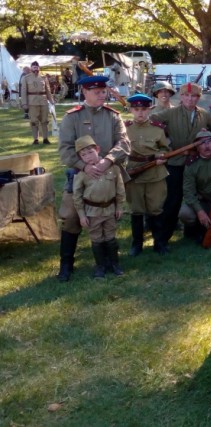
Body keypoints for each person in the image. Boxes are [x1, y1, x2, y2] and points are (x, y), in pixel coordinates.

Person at [56, 75, 131, 282]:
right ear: (84, 93)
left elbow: (124, 144)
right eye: (96, 92)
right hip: (81, 176)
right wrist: (84, 166)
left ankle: (109, 261)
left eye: (103, 91)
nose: (102, 95)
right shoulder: (72, 117)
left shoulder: (113, 116)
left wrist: (107, 161)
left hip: (108, 175)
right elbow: (65, 150)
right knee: (71, 217)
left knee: (109, 217)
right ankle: (66, 264)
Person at [150, 83, 211, 251]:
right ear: (181, 97)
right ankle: (161, 240)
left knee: (197, 198)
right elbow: (151, 122)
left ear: (199, 98)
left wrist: (208, 140)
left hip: (196, 164)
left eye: (195, 96)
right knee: (171, 202)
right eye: (186, 95)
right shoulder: (171, 112)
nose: (190, 99)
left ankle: (196, 233)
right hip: (175, 164)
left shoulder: (204, 115)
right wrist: (165, 141)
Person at [72, 135, 126, 278]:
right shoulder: (82, 174)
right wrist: (81, 215)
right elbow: (76, 195)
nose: (88, 157)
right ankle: (100, 267)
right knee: (96, 239)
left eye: (90, 152)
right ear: (80, 158)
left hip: (110, 210)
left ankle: (115, 264)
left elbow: (120, 189)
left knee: (110, 237)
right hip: (92, 212)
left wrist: (119, 206)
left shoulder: (113, 168)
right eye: (83, 155)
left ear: (98, 149)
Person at [124, 94, 170, 256]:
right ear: (131, 110)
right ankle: (137, 244)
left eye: (144, 109)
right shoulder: (125, 128)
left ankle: (160, 243)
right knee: (136, 209)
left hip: (155, 173)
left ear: (149, 110)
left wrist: (161, 156)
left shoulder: (158, 128)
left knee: (156, 208)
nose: (140, 113)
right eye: (136, 110)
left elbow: (165, 148)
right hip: (134, 173)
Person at [20, 61, 55, 145]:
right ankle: (36, 139)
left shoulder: (43, 78)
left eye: (37, 66)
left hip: (43, 101)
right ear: (31, 68)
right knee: (34, 121)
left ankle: (45, 138)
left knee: (45, 121)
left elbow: (48, 90)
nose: (35, 68)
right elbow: (23, 91)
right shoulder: (26, 78)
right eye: (34, 67)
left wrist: (51, 100)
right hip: (32, 102)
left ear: (39, 68)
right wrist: (24, 103)